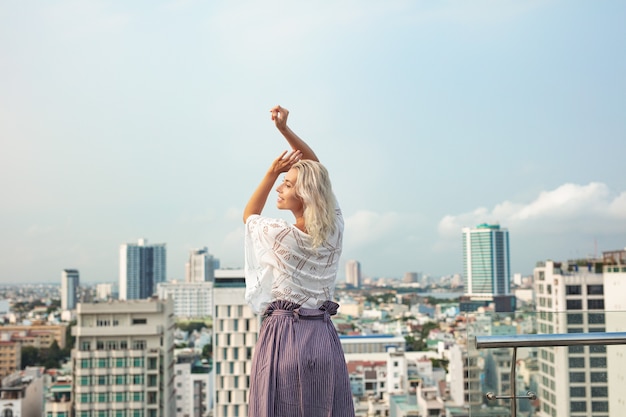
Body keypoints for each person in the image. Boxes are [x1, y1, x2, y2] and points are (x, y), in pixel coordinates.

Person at [243, 105, 355, 417]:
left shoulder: (280, 235)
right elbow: (317, 169)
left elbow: (249, 216)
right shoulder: (335, 228)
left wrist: (271, 171)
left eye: (288, 184)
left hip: (284, 337)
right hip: (323, 337)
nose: (281, 187)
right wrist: (285, 130)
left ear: (304, 194)